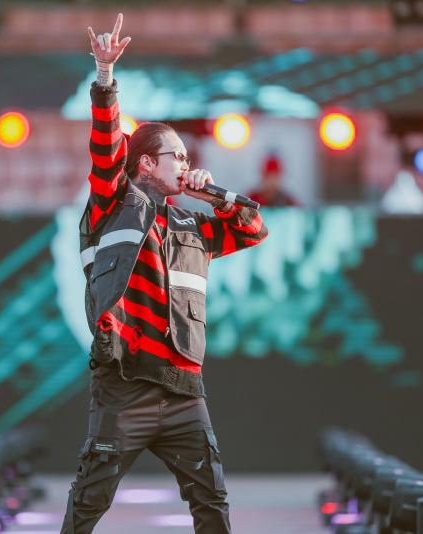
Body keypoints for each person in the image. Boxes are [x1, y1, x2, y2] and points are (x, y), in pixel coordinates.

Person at [63, 14, 268, 534]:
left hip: (183, 391)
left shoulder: (192, 225)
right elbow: (106, 148)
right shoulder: (115, 206)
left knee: (212, 504)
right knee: (88, 504)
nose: (185, 162)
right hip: (125, 384)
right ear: (147, 165)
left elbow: (253, 228)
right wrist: (105, 77)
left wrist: (213, 195)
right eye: (175, 155)